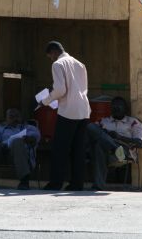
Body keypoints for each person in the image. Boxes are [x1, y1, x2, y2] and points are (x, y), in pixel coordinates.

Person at [42, 41, 91, 191]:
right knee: (78, 149)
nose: (51, 59)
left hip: (68, 111)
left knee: (60, 150)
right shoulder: (80, 64)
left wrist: (45, 100)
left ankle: (55, 183)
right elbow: (84, 88)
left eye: (50, 56)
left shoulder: (58, 64)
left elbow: (60, 90)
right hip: (83, 110)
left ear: (54, 52)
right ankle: (77, 184)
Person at [86, 97, 142, 191]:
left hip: (124, 152)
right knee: (91, 128)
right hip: (107, 152)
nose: (116, 108)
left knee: (99, 146)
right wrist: (106, 135)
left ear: (126, 108)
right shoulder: (104, 121)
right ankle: (113, 147)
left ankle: (114, 147)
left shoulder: (133, 122)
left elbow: (140, 143)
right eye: (114, 106)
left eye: (119, 106)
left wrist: (119, 137)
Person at [0, 108, 41, 190]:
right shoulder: (0, 128)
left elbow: (35, 139)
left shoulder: (29, 128)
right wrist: (3, 144)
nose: (14, 118)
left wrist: (26, 139)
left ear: (21, 117)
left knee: (17, 142)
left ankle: (24, 181)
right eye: (11, 116)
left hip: (19, 155)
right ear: (6, 118)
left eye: (17, 116)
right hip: (3, 152)